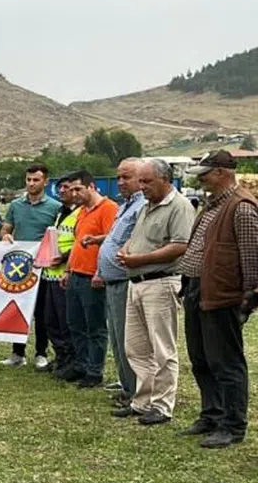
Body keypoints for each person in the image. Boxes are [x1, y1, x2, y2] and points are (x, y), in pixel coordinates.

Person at [178, 151, 258, 448]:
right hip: (198, 289)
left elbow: (252, 256)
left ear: (223, 172)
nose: (200, 179)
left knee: (226, 362)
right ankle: (211, 414)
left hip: (222, 293)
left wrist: (248, 297)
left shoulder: (242, 207)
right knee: (201, 358)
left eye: (206, 173)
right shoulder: (212, 205)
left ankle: (232, 424)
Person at [111, 159, 193, 426]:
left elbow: (180, 245)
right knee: (135, 347)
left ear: (165, 179)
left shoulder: (179, 206)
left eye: (147, 182)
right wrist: (127, 251)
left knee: (162, 348)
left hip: (161, 282)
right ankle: (142, 400)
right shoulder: (147, 207)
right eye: (141, 181)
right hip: (137, 282)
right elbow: (136, 239)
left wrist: (141, 259)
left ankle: (162, 405)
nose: (142, 186)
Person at [0, 163, 63, 368]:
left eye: (36, 180)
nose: (31, 184)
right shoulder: (16, 206)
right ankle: (17, 352)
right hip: (20, 266)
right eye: (28, 180)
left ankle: (41, 352)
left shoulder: (55, 207)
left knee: (42, 312)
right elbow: (5, 229)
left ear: (45, 181)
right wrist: (6, 236)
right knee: (17, 308)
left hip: (44, 268)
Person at [96, 159, 147, 405]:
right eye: (118, 177)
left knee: (129, 339)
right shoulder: (125, 206)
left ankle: (135, 390)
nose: (120, 182)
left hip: (126, 280)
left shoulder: (143, 207)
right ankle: (127, 383)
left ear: (142, 178)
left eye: (126, 177)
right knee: (116, 337)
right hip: (112, 280)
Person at [62, 170, 119, 388]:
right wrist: (68, 270)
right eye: (71, 189)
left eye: (78, 189)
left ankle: (95, 370)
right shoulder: (82, 212)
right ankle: (81, 364)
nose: (74, 193)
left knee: (95, 326)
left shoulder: (109, 209)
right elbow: (77, 244)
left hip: (92, 276)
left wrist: (101, 272)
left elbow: (111, 243)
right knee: (75, 323)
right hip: (76, 273)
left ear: (92, 187)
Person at [44, 178, 81, 382]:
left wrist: (65, 257)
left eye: (67, 187)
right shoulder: (60, 211)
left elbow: (80, 242)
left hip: (67, 272)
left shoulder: (80, 213)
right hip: (51, 272)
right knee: (51, 320)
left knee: (67, 321)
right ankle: (60, 356)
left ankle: (71, 361)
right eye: (61, 187)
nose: (63, 191)